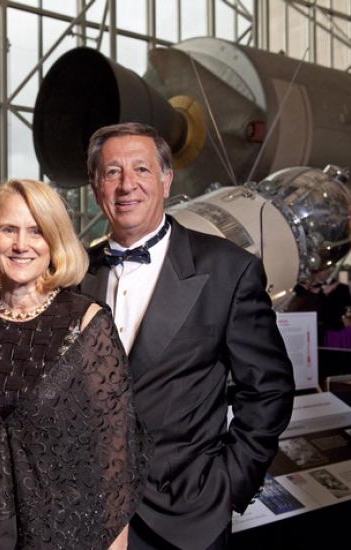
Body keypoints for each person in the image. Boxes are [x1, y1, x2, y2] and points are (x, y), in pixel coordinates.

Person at [80, 122, 295, 550]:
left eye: (141, 169)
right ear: (95, 185)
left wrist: (227, 485)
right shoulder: (71, 275)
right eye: (112, 172)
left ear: (166, 179)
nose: (127, 185)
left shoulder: (228, 270)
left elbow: (268, 390)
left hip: (185, 517)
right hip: (85, 516)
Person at [0, 179, 147, 550]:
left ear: (55, 240)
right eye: (9, 229)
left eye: (36, 231)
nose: (21, 244)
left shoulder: (87, 325)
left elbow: (114, 469)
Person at [286, 267, 351, 345]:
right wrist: (320, 294)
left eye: (328, 269)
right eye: (323, 269)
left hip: (331, 329)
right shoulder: (302, 291)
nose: (327, 272)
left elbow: (346, 307)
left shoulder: (341, 288)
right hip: (311, 330)